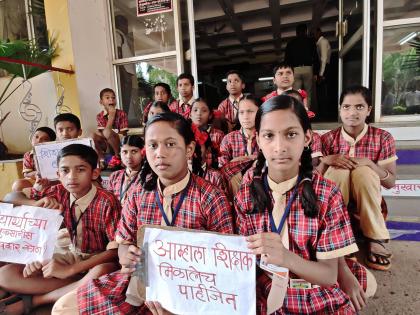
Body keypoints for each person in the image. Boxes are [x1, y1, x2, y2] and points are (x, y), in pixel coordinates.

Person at [51, 112, 234, 314]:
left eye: (170, 144)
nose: (160, 153)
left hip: (194, 291)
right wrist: (125, 256)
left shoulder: (211, 197)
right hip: (141, 283)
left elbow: (224, 264)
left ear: (189, 149)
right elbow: (123, 242)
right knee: (63, 308)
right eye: (153, 145)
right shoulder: (138, 195)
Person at [235, 94, 373, 314]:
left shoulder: (327, 193)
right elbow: (245, 261)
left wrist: (286, 257)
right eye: (269, 135)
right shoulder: (246, 193)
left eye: (291, 134)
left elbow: (328, 276)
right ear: (258, 140)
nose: (279, 147)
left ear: (307, 137)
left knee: (359, 288)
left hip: (315, 288)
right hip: (267, 287)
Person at [0, 144, 121, 314]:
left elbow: (114, 252)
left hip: (97, 261)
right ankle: (76, 285)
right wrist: (35, 203)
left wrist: (69, 270)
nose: (71, 177)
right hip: (71, 256)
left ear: (94, 173)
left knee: (102, 272)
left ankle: (34, 300)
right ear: (58, 174)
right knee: (6, 274)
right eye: (65, 171)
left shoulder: (107, 201)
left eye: (80, 170)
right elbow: (10, 199)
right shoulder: (59, 191)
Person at [318, 86, 397, 271]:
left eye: (359, 107)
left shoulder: (382, 138)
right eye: (346, 107)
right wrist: (326, 160)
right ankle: (338, 234)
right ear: (340, 109)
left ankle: (374, 238)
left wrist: (370, 163)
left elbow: (390, 182)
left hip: (369, 203)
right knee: (338, 170)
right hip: (336, 206)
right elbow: (316, 181)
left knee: (364, 171)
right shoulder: (328, 139)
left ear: (369, 110)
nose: (352, 112)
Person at [219, 94, 260, 167]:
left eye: (250, 111)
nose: (245, 117)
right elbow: (222, 169)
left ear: (260, 112)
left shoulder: (266, 137)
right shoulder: (228, 139)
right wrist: (241, 160)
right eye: (241, 112)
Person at [12, 126, 56, 192]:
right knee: (18, 185)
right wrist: (36, 174)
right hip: (34, 180)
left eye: (45, 139)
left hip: (52, 180)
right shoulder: (28, 155)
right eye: (36, 137)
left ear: (51, 142)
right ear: (32, 137)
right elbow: (26, 174)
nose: (39, 140)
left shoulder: (54, 153)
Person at [93, 88, 129, 170]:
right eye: (107, 98)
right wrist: (111, 117)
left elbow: (123, 133)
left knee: (107, 131)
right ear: (101, 102)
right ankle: (101, 159)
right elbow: (102, 133)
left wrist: (112, 115)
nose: (111, 100)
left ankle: (117, 156)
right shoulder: (100, 115)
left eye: (113, 98)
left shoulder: (121, 113)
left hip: (119, 141)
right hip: (106, 142)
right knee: (93, 135)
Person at [285, 24, 318, 108]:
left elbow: (287, 59)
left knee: (296, 93)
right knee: (308, 93)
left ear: (296, 32)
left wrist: (289, 72)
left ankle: (298, 113)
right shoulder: (311, 41)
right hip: (308, 69)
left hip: (295, 70)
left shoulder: (291, 43)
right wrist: (315, 73)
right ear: (306, 31)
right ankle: (307, 113)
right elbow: (315, 57)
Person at [106, 135, 144, 206]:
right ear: (120, 153)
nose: (129, 156)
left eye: (134, 151)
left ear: (143, 153)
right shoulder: (114, 176)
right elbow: (109, 202)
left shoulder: (148, 177)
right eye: (125, 152)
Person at [314, 27, 331, 113]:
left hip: (324, 69)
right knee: (321, 92)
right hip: (322, 68)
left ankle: (325, 112)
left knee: (323, 92)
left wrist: (321, 74)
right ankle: (323, 111)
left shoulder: (323, 42)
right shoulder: (318, 43)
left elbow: (324, 59)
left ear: (319, 32)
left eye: (314, 33)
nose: (313, 36)